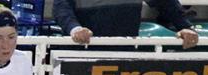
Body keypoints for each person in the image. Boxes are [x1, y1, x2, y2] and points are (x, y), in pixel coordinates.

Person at [53, 0, 199, 49]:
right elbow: (61, 7)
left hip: (124, 53)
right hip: (80, 54)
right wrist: (75, 28)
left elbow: (166, 3)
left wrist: (184, 26)